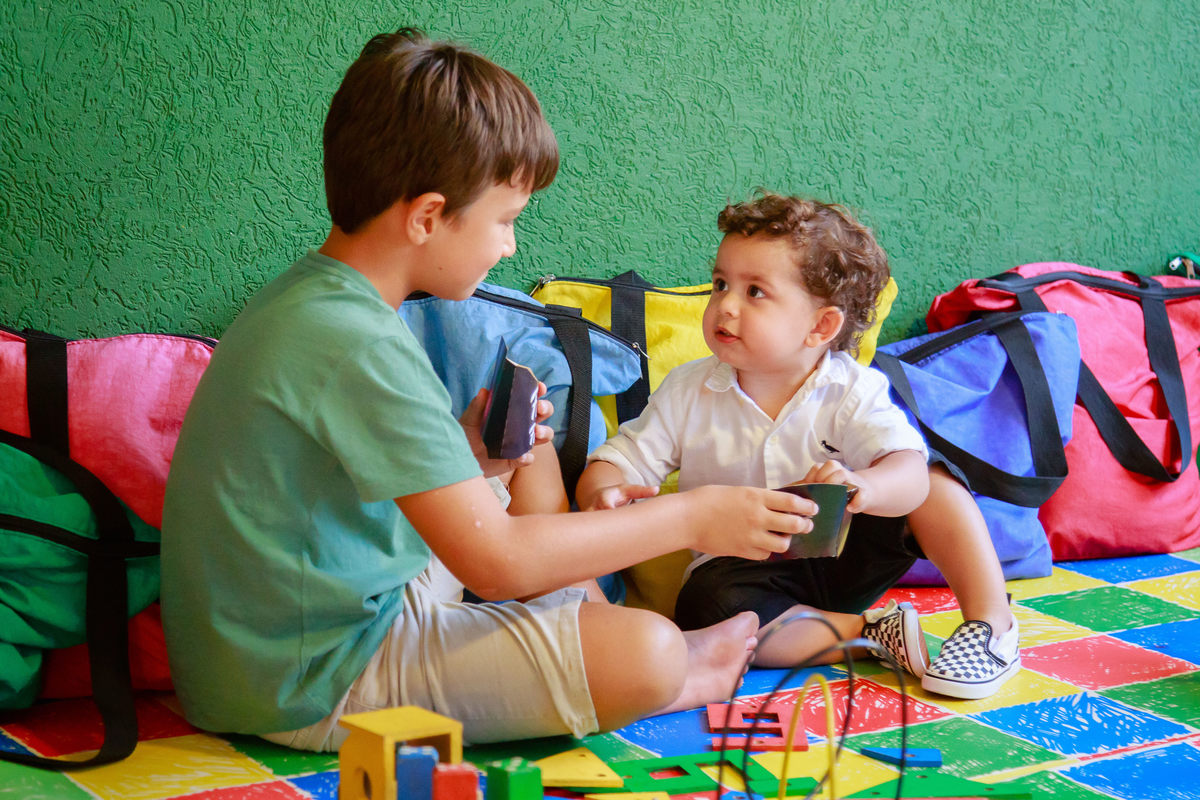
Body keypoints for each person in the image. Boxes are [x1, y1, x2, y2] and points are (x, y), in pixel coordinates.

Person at [159, 28, 815, 752]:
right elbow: (496, 565)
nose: (509, 245)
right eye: (505, 221)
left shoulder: (320, 301)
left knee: (525, 442)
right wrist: (695, 516)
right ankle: (669, 671)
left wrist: (472, 458)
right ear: (426, 217)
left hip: (298, 632)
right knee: (650, 653)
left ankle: (590, 628)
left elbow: (342, 503)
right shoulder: (359, 343)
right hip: (305, 682)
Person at [575, 193, 1020, 700]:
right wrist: (604, 491)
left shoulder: (851, 390)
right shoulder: (687, 391)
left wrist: (866, 486)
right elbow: (617, 461)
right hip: (745, 571)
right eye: (720, 284)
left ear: (820, 326)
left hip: (846, 548)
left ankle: (992, 626)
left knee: (932, 477)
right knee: (708, 610)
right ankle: (871, 633)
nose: (725, 305)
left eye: (755, 292)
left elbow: (908, 474)